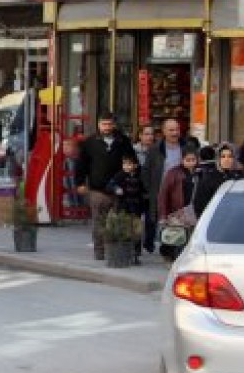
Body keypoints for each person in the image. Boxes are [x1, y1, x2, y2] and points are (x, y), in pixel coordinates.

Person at [74, 112, 135, 260]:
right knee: (99, 222)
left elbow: (132, 161)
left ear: (113, 125)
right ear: (98, 125)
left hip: (119, 189)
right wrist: (80, 182)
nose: (106, 127)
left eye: (109, 124)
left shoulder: (123, 141)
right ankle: (100, 251)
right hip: (97, 190)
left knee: (118, 221)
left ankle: (114, 249)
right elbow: (81, 164)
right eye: (104, 124)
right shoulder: (90, 143)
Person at [142, 118, 198, 254]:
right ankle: (160, 247)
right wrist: (150, 190)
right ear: (164, 131)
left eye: (177, 130)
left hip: (181, 191)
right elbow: (146, 171)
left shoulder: (186, 146)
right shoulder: (155, 149)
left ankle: (175, 249)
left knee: (180, 223)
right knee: (159, 220)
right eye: (171, 130)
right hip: (160, 191)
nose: (175, 133)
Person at [158, 150, 200, 262]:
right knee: (176, 238)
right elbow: (163, 194)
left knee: (189, 238)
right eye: (188, 160)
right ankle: (171, 258)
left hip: (193, 210)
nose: (191, 163)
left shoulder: (199, 173)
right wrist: (163, 215)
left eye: (193, 160)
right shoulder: (173, 172)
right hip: (177, 210)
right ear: (182, 160)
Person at [106, 153, 147, 265]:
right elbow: (110, 185)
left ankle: (136, 255)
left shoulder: (140, 176)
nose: (127, 167)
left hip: (136, 208)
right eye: (125, 164)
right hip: (124, 209)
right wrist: (116, 189)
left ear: (135, 165)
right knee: (125, 232)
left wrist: (144, 200)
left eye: (129, 164)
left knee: (137, 232)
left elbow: (144, 190)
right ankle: (126, 254)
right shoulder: (120, 175)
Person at [194, 144, 244, 217]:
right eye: (223, 156)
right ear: (218, 159)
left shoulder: (238, 178)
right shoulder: (208, 179)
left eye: (230, 156)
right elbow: (200, 207)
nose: (226, 159)